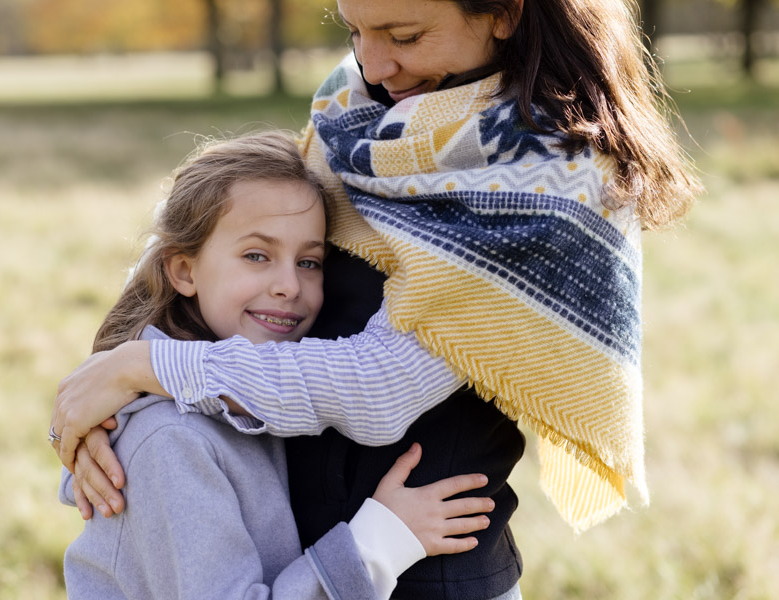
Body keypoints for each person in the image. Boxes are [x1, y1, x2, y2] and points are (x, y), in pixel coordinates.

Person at [51, 1, 702, 599]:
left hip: (421, 566)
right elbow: (232, 221)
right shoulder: (360, 107)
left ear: (504, 12)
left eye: (404, 36)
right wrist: (106, 401)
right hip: (290, 552)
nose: (371, 63)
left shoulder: (552, 177)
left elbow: (380, 388)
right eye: (354, 30)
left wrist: (147, 370)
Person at [58, 131, 494, 600]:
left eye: (309, 262)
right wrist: (380, 541)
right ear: (184, 271)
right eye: (256, 255)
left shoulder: (247, 393)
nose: (288, 285)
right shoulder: (173, 442)